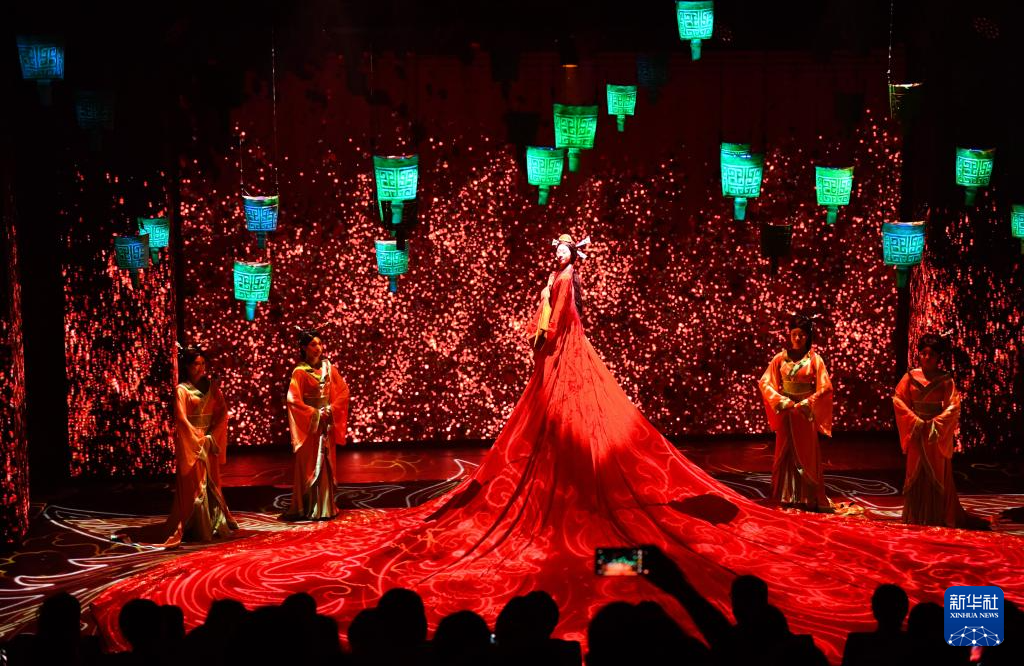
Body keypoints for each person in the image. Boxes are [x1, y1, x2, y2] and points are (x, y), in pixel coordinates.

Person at [92, 234, 1024, 662]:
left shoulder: (558, 297)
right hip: (566, 387)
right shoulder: (556, 296)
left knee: (587, 465)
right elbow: (544, 330)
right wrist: (546, 330)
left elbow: (545, 329)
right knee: (568, 471)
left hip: (593, 388)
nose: (561, 282)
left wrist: (547, 328)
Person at [758, 316, 833, 512]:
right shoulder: (780, 358)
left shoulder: (815, 360)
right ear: (789, 335)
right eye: (794, 334)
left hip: (804, 412)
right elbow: (765, 383)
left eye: (802, 335)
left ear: (808, 337)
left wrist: (808, 402)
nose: (798, 338)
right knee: (785, 450)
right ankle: (785, 495)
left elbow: (825, 387)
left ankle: (806, 497)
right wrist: (781, 401)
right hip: (787, 411)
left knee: (806, 452)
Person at [893, 333, 968, 527]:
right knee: (915, 472)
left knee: (935, 471)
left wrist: (936, 423)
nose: (927, 357)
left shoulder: (945, 380)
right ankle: (915, 516)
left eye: (932, 354)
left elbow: (954, 406)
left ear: (938, 357)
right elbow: (898, 400)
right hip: (916, 430)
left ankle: (936, 517)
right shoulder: (910, 377)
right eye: (924, 353)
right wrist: (914, 420)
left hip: (935, 433)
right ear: (919, 354)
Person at [165, 346, 236, 546]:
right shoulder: (181, 390)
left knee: (212, 481)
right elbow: (181, 418)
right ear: (187, 366)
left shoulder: (212, 387)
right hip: (192, 442)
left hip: (208, 439)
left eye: (203, 363)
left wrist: (211, 436)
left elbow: (222, 413)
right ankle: (194, 525)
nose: (201, 368)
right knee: (195, 483)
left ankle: (213, 522)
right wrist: (197, 437)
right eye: (196, 364)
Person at [286, 329, 349, 520]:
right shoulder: (300, 372)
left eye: (320, 343)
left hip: (326, 422)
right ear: (304, 347)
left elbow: (343, 391)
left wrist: (331, 409)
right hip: (310, 425)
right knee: (310, 464)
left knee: (326, 461)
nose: (318, 348)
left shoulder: (329, 368)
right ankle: (307, 506)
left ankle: (325, 506)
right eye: (313, 344)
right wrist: (314, 414)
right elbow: (293, 400)